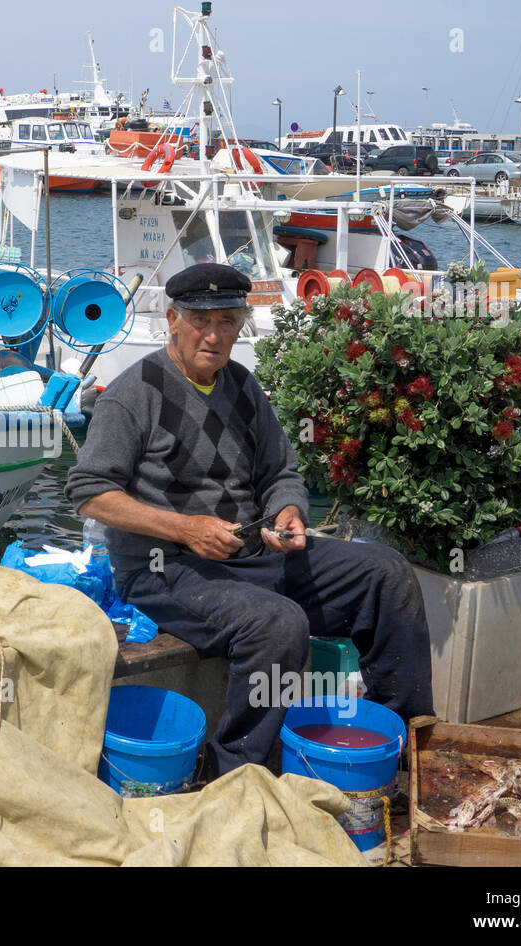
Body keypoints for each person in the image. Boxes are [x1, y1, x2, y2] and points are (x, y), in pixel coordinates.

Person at [65, 263, 434, 780]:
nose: (214, 336)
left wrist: (288, 512)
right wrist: (184, 528)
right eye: (200, 321)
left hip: (250, 554)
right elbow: (88, 494)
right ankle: (234, 774)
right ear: (172, 318)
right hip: (164, 568)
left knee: (386, 573)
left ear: (240, 325)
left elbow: (281, 471)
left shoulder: (242, 385)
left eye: (228, 321)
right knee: (279, 625)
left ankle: (400, 745)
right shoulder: (134, 394)